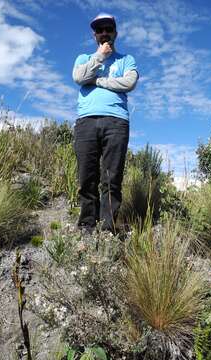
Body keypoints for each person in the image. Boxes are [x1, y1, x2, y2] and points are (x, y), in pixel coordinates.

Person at [72, 13, 138, 234]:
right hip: (86, 122)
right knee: (86, 177)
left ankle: (108, 230)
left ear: (115, 33)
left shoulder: (126, 59)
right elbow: (79, 77)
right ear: (94, 35)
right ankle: (87, 227)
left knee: (112, 179)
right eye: (99, 30)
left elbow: (129, 82)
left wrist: (98, 80)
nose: (104, 33)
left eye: (108, 29)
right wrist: (99, 57)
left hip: (117, 122)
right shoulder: (84, 58)